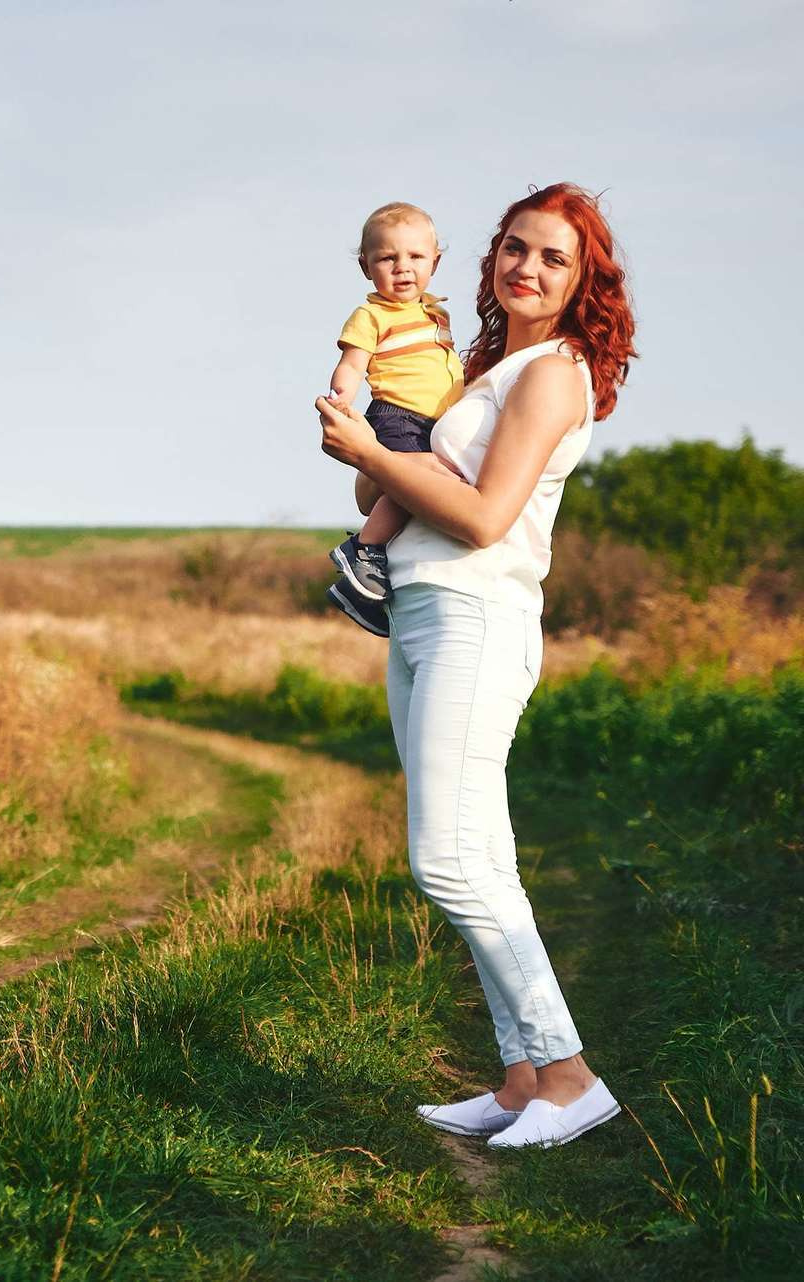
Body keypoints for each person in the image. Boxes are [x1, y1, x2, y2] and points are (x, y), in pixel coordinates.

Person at [314, 183, 637, 1150]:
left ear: (584, 283)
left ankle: (570, 1074)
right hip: (420, 608)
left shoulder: (553, 372)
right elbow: (395, 482)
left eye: (554, 259)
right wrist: (369, 444)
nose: (527, 270)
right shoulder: (485, 359)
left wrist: (378, 451)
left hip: (477, 613)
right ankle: (519, 1081)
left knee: (447, 860)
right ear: (489, 256)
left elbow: (487, 517)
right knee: (480, 853)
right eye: (515, 249)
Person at [324, 203, 467, 636]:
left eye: (415, 257)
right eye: (388, 259)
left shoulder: (436, 313)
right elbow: (352, 363)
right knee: (410, 485)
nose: (402, 268)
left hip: (431, 422)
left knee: (418, 488)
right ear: (367, 267)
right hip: (396, 415)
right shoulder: (372, 315)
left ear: (435, 262)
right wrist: (343, 397)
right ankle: (364, 549)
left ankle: (368, 584)